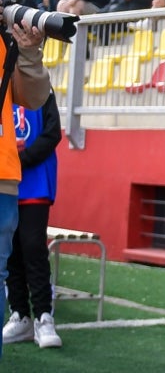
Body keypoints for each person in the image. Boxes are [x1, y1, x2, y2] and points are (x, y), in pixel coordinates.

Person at [0, 20, 52, 360]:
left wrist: (30, 52)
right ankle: (21, 314)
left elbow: (35, 98)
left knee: (24, 255)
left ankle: (39, 315)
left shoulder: (7, 43)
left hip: (7, 177)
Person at [2, 91, 62, 350]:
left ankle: (43, 317)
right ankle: (20, 315)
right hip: (6, 179)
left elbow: (52, 133)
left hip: (35, 180)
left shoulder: (41, 88)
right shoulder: (4, 87)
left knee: (33, 247)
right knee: (9, 250)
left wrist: (20, 159)